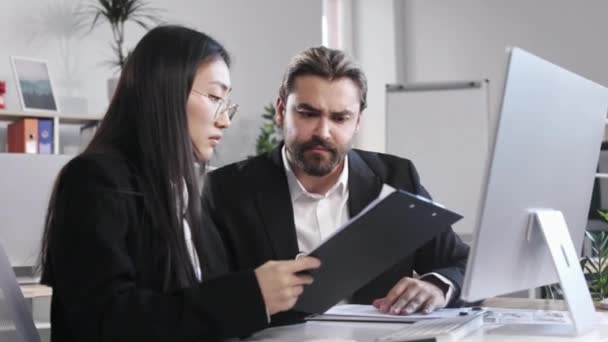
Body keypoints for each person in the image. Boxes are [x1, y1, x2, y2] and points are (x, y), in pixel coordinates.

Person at [37, 25, 320, 342]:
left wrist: (293, 289)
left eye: (227, 103)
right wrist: (249, 296)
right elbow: (108, 321)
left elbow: (206, 299)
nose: (225, 120)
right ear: (165, 92)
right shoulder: (95, 181)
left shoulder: (184, 190)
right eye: (214, 97)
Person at [202, 46, 469, 323]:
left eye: (340, 118)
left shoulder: (397, 177)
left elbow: (462, 263)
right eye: (307, 113)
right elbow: (209, 299)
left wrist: (437, 286)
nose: (323, 132)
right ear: (282, 111)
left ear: (357, 122)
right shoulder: (226, 191)